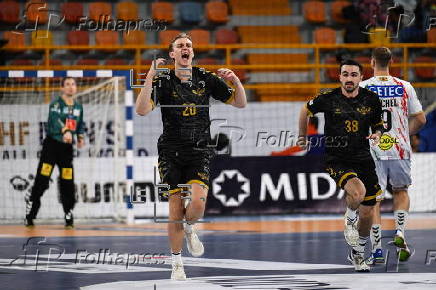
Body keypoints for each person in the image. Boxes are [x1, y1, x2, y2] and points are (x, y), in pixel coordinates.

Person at [135, 32, 246, 280]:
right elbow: (142, 110)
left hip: (199, 150)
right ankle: (177, 264)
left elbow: (240, 103)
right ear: (173, 54)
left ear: (192, 53)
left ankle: (189, 226)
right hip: (170, 151)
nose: (185, 48)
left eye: (189, 45)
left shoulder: (205, 77)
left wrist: (236, 81)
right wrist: (150, 76)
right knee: (175, 208)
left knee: (198, 204)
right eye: (180, 46)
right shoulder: (163, 81)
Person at [298, 59, 384, 272]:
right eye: (345, 74)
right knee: (358, 193)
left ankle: (358, 252)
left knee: (368, 212)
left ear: (361, 77)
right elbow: (304, 110)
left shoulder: (372, 99)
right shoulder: (328, 98)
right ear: (339, 77)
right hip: (336, 158)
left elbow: (378, 124)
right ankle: (349, 219)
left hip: (363, 157)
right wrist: (302, 136)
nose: (349, 78)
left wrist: (378, 134)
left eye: (354, 75)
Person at [360, 47, 426, 263]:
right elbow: (421, 119)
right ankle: (399, 233)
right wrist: (404, 134)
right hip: (399, 148)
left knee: (375, 199)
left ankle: (377, 248)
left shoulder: (364, 87)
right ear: (392, 62)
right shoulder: (404, 86)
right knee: (401, 191)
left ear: (371, 62)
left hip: (374, 149)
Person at [25, 77, 85, 229]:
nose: (71, 87)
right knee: (42, 180)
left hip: (66, 150)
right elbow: (54, 119)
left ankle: (68, 214)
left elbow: (80, 124)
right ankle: (30, 213)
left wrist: (80, 137)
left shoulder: (78, 107)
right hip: (51, 147)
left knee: (67, 182)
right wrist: (65, 130)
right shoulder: (56, 104)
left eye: (73, 84)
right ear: (62, 88)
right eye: (67, 84)